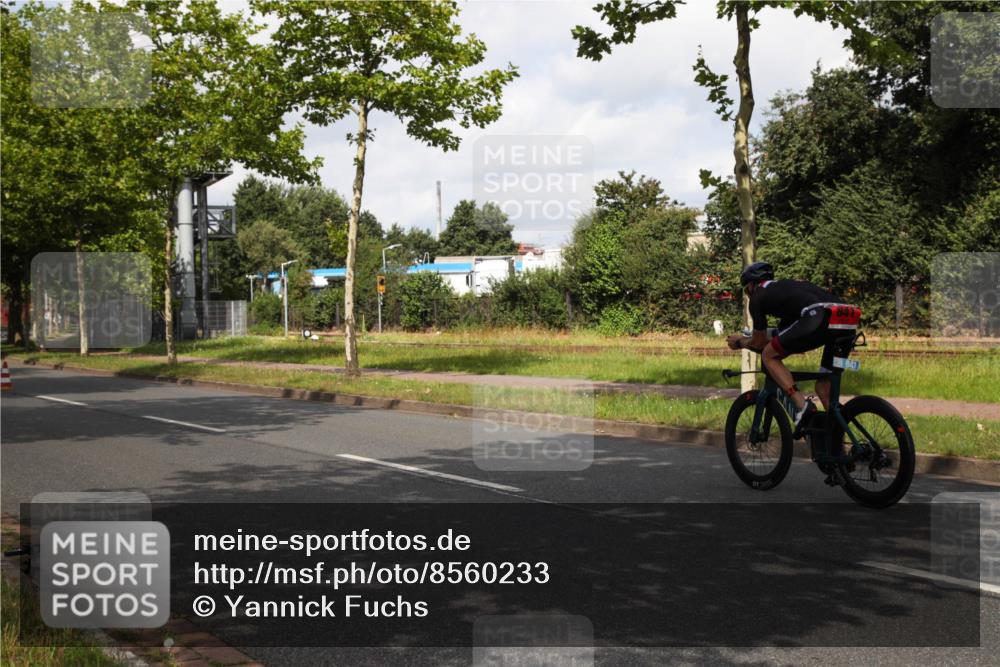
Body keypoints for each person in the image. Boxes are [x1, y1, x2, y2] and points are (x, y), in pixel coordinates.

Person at [726, 261, 860, 436]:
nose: (747, 294)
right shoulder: (788, 290)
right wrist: (758, 337)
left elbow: (759, 344)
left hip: (818, 316)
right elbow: (783, 333)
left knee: (769, 356)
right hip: (847, 318)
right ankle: (837, 450)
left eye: (745, 290)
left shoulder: (758, 296)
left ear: (751, 286)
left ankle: (802, 405)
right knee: (823, 389)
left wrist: (739, 342)